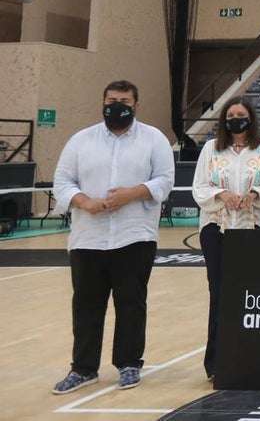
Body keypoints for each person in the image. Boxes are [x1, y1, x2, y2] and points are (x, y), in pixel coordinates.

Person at [51, 80, 174, 394]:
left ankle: (129, 364)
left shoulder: (154, 139)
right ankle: (83, 369)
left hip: (135, 235)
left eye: (125, 100)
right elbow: (62, 182)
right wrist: (84, 202)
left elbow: (165, 179)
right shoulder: (80, 140)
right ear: (102, 102)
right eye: (112, 99)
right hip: (87, 238)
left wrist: (132, 194)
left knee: (131, 303)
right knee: (86, 305)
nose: (117, 104)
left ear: (136, 104)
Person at [191, 96, 260, 380]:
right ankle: (216, 363)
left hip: (253, 230)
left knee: (253, 295)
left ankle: (253, 358)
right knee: (219, 295)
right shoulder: (211, 148)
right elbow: (199, 187)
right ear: (224, 120)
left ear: (251, 118)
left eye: (241, 114)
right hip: (216, 230)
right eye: (231, 115)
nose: (236, 119)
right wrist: (223, 195)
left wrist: (255, 195)